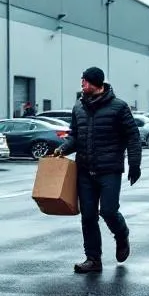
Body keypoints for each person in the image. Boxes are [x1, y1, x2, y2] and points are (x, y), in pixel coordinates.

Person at [53, 67, 142, 274]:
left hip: (109, 169)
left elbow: (133, 137)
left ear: (97, 83)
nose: (82, 84)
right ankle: (93, 259)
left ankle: (122, 235)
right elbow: (75, 136)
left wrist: (135, 164)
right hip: (85, 170)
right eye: (82, 80)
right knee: (88, 216)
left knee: (109, 211)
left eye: (85, 81)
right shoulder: (78, 108)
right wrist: (63, 148)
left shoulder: (119, 107)